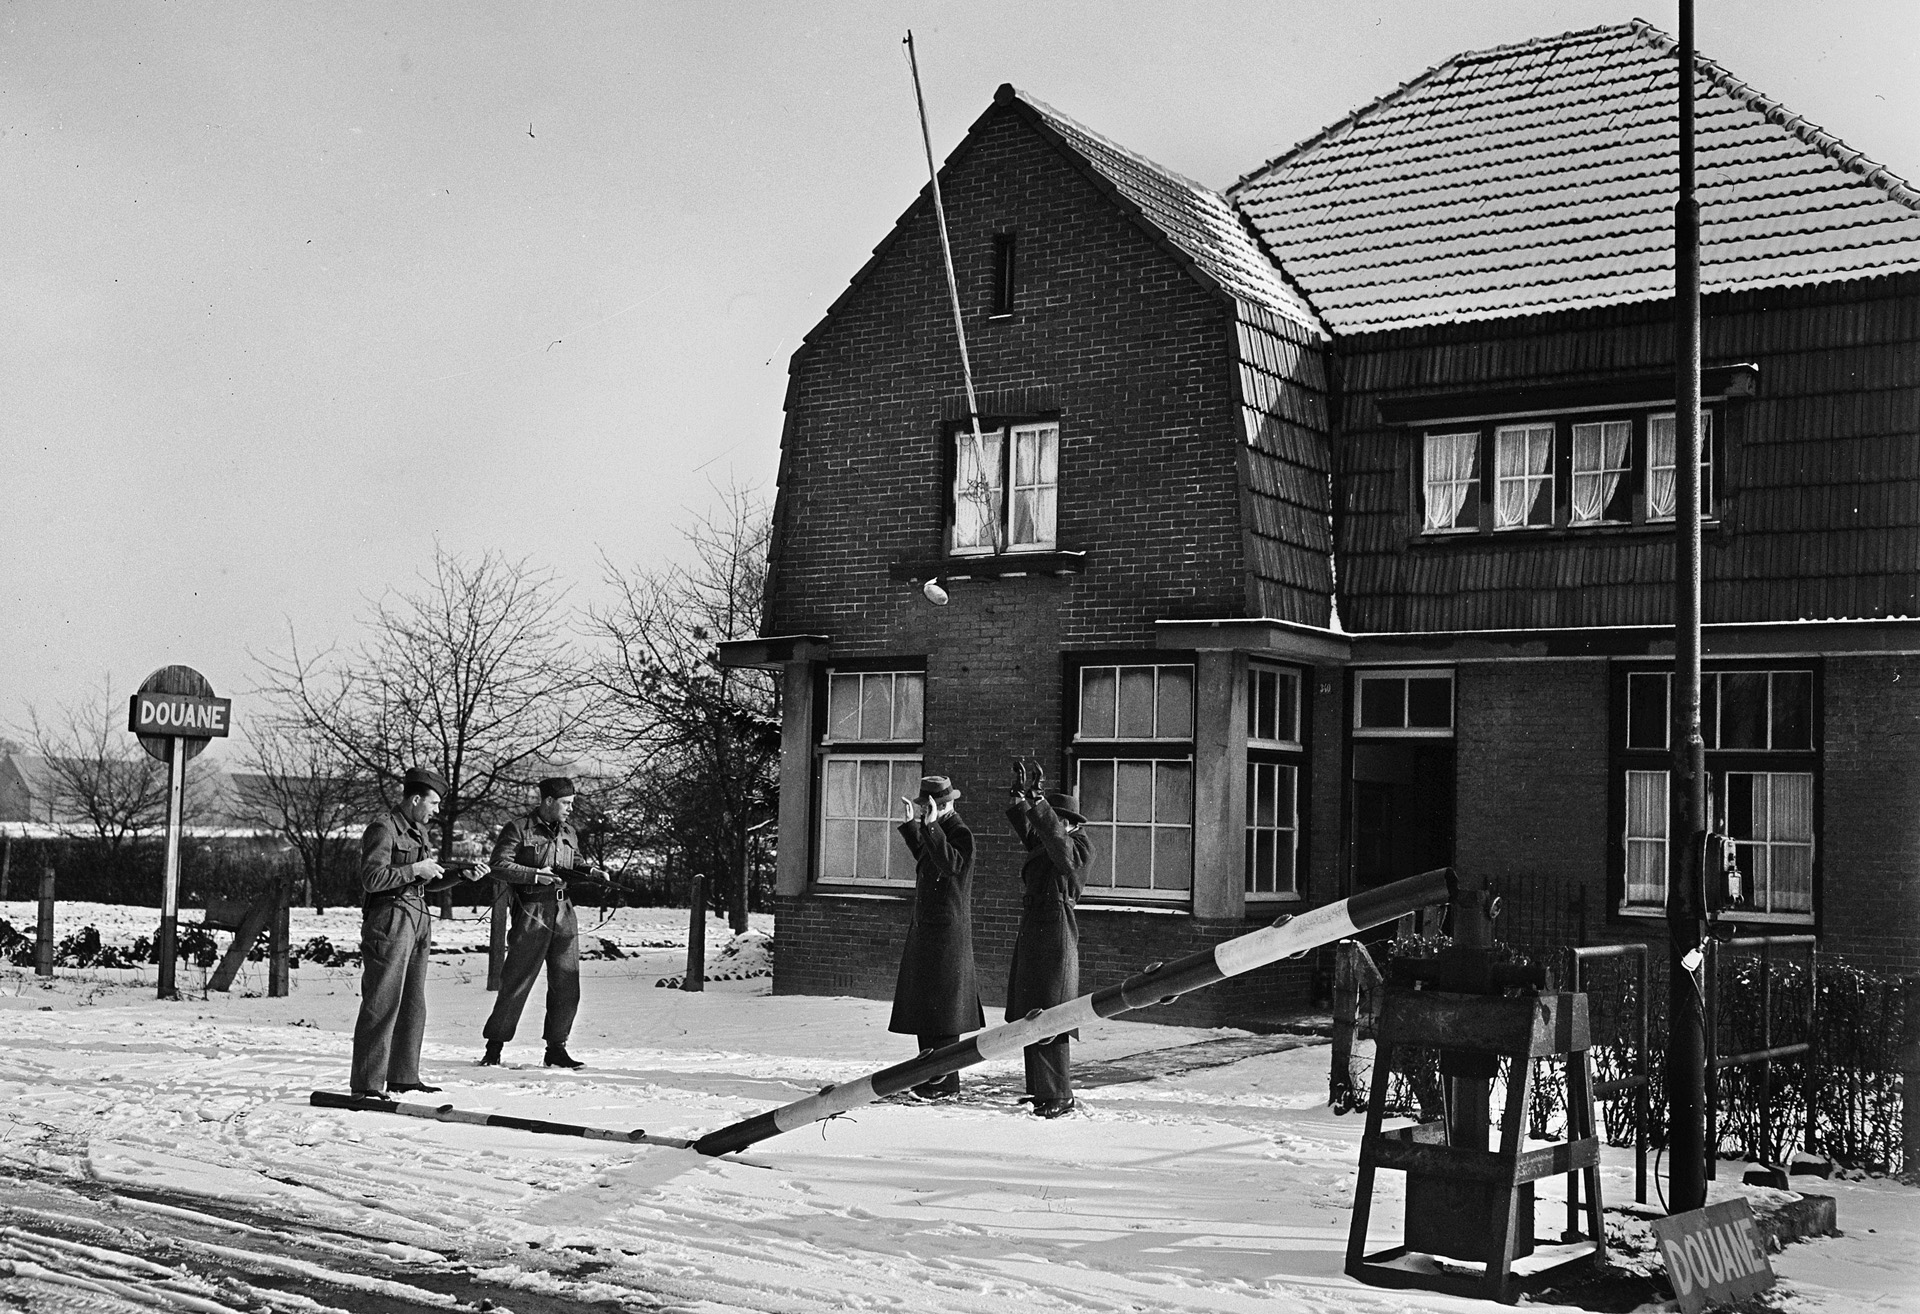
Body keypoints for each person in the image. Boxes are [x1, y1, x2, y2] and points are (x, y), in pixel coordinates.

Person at [350, 766, 470, 1101]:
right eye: (432, 803)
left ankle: (403, 1076)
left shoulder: (419, 832)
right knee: (382, 1000)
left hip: (417, 915)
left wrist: (461, 877)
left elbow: (426, 881)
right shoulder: (383, 828)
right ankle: (367, 1084)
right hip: (389, 917)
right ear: (415, 799)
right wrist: (415, 868)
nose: (436, 810)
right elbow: (372, 879)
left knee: (413, 1001)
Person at [479, 776, 599, 1069]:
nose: (571, 809)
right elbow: (499, 865)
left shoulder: (569, 832)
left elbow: (576, 863)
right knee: (517, 980)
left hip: (563, 911)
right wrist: (534, 875)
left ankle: (556, 1048)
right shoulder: (519, 829)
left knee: (567, 983)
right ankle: (494, 1047)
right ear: (548, 801)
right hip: (532, 910)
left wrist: (592, 871)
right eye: (566, 803)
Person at [1004, 758, 1094, 1118]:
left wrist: (1039, 804)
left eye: (1055, 821)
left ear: (1067, 823)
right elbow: (1035, 835)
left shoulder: (1077, 847)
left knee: (1052, 1016)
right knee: (1033, 1015)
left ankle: (1058, 1095)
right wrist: (1021, 799)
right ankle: (1040, 1090)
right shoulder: (1055, 841)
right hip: (1038, 931)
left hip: (1055, 934)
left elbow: (1058, 849)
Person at [888, 775, 984, 1099]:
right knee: (926, 1008)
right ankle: (930, 1078)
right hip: (930, 934)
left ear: (938, 806)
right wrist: (913, 827)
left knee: (944, 1013)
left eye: (927, 807)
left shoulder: (960, 834)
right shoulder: (939, 830)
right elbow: (927, 858)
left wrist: (929, 827)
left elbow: (949, 863)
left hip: (947, 938)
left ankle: (943, 1084)